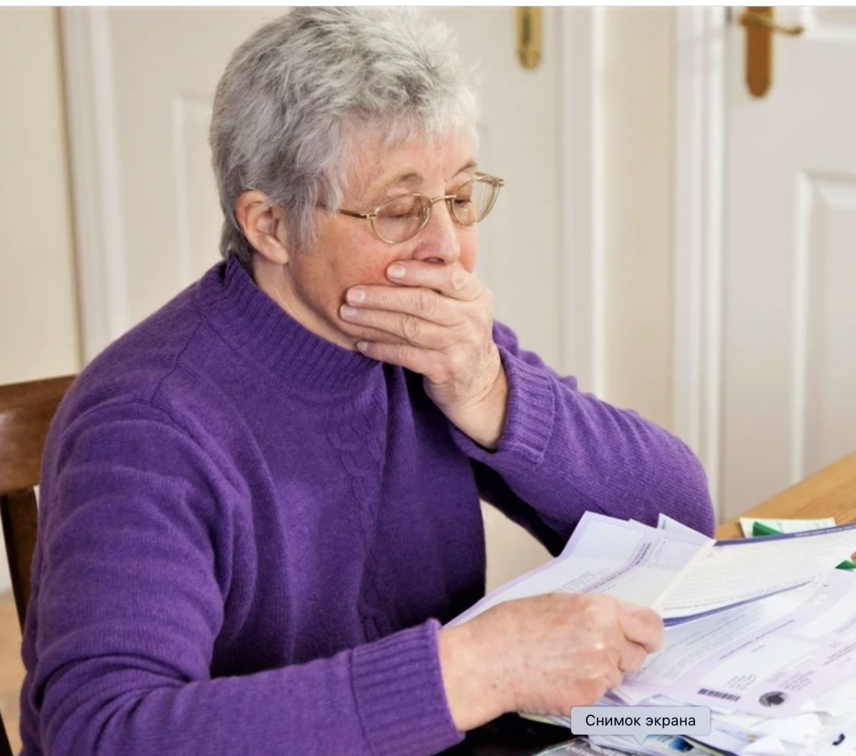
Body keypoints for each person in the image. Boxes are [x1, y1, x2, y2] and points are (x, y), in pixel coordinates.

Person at [19, 8, 714, 755]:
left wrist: (492, 393)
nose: (448, 249)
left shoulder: (423, 340)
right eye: (400, 210)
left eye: (459, 197)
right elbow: (99, 735)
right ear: (271, 226)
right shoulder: (147, 423)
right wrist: (471, 672)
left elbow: (681, 520)